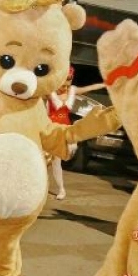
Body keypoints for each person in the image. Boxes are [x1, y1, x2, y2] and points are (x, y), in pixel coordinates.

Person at [46, 67, 106, 200]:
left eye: (68, 80)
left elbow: (91, 88)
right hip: (48, 129)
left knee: (57, 162)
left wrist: (107, 83)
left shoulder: (72, 91)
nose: (65, 85)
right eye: (63, 81)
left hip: (63, 131)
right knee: (41, 159)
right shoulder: (49, 91)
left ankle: (61, 189)